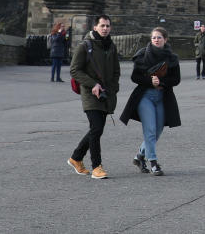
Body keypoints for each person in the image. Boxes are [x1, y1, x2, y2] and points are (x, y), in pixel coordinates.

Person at [120, 25, 181, 176]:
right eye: (154, 37)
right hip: (145, 96)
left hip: (162, 97)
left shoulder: (172, 58)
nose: (156, 40)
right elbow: (135, 77)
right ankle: (153, 162)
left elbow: (176, 79)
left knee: (158, 130)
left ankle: (139, 156)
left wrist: (161, 82)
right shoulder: (142, 55)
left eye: (159, 37)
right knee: (150, 130)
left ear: (165, 40)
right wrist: (149, 81)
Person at [68, 14, 120, 180]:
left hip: (106, 94)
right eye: (102, 25)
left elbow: (116, 71)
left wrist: (112, 88)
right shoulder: (85, 46)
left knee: (96, 130)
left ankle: (76, 158)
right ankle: (96, 167)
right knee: (96, 128)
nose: (105, 29)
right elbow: (75, 70)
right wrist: (93, 85)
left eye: (107, 26)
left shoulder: (111, 46)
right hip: (90, 93)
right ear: (95, 27)